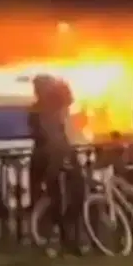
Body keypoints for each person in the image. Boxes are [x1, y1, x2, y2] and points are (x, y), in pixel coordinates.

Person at [28, 75, 85, 254]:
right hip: (52, 158)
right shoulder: (42, 111)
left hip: (55, 156)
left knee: (68, 197)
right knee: (59, 199)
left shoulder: (48, 108)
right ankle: (61, 239)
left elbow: (67, 101)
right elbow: (49, 136)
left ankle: (64, 238)